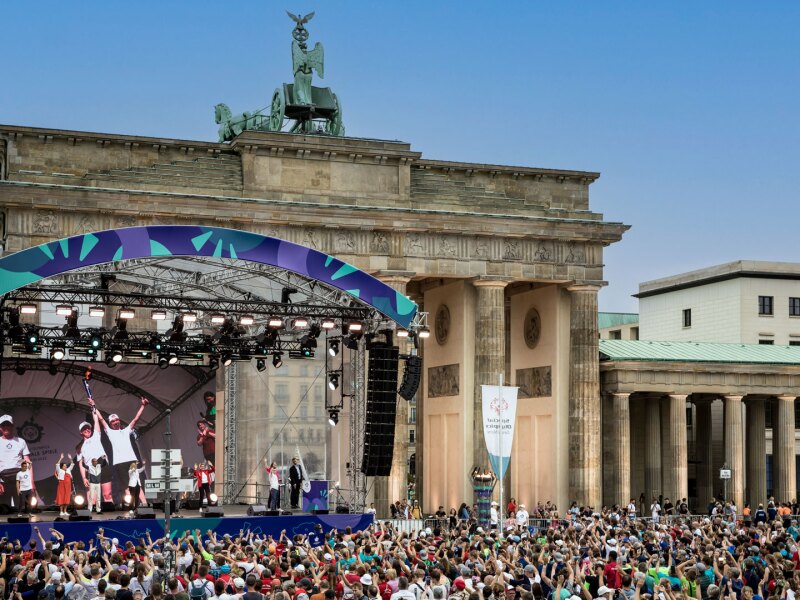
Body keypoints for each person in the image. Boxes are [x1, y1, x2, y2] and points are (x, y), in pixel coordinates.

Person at [90, 394, 148, 503]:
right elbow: (101, 419)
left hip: (131, 460)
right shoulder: (109, 432)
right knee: (126, 486)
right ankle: (132, 505)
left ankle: (145, 504)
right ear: (110, 424)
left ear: (119, 421)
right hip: (119, 462)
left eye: (116, 420)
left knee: (136, 483)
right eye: (113, 421)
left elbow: (136, 419)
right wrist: (94, 406)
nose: (115, 422)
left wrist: (143, 406)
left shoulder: (126, 430)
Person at [76, 406, 113, 504]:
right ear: (81, 432)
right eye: (84, 429)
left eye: (88, 428)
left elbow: (96, 420)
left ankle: (112, 518)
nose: (87, 430)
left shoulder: (96, 436)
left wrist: (93, 406)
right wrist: (84, 478)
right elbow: (81, 464)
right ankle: (94, 518)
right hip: (91, 470)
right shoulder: (80, 447)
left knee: (107, 494)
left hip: (103, 466)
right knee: (93, 498)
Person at [0, 414, 34, 511]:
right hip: (3, 481)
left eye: (8, 425)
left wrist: (31, 483)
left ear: (12, 426)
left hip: (19, 480)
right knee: (3, 510)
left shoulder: (20, 441)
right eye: (3, 425)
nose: (6, 427)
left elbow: (28, 462)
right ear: (0, 428)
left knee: (23, 508)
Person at [54, 453, 74, 517]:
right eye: (64, 466)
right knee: (61, 497)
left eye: (66, 466)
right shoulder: (59, 470)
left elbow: (72, 464)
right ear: (62, 466)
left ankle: (65, 511)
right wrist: (61, 458)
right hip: (62, 485)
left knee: (66, 498)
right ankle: (61, 511)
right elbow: (57, 464)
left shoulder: (68, 470)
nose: (66, 467)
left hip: (68, 486)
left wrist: (70, 458)